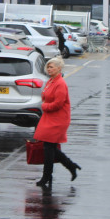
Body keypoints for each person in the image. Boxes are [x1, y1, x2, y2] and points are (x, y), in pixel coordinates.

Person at [33, 56, 81, 189]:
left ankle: (46, 176)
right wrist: (45, 105)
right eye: (48, 67)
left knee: (49, 148)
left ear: (59, 69)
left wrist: (44, 106)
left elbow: (58, 104)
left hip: (58, 119)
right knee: (50, 148)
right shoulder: (51, 81)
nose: (49, 69)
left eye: (52, 67)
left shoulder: (60, 83)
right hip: (50, 117)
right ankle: (71, 166)